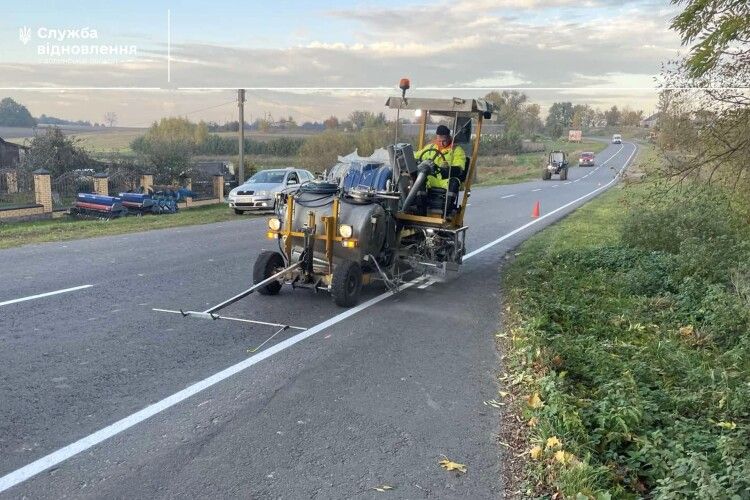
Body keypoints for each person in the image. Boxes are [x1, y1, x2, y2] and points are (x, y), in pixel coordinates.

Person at [413, 124, 466, 192]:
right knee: (419, 178)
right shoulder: (430, 147)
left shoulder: (457, 150)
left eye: (444, 141)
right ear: (436, 138)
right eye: (439, 141)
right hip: (431, 178)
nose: (441, 144)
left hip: (445, 179)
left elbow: (459, 168)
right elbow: (416, 155)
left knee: (454, 183)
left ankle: (448, 202)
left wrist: (446, 169)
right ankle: (420, 201)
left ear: (449, 138)